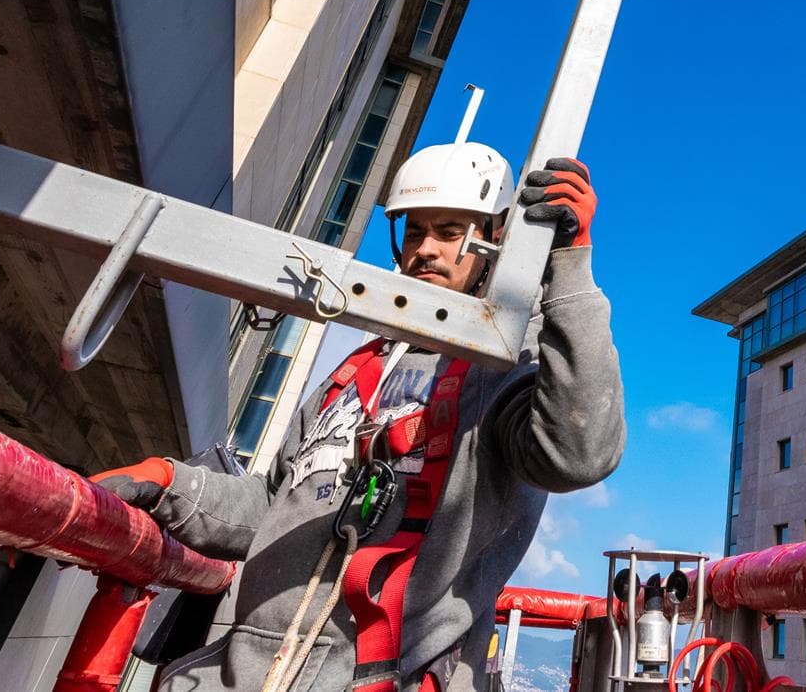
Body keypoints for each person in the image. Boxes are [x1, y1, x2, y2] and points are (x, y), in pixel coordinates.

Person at [92, 143, 621, 692]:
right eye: (414, 232)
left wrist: (570, 269)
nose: (426, 251)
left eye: (449, 231)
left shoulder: (508, 370)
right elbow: (275, 510)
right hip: (246, 674)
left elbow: (577, 454)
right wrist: (171, 483)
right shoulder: (355, 373)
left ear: (492, 238)